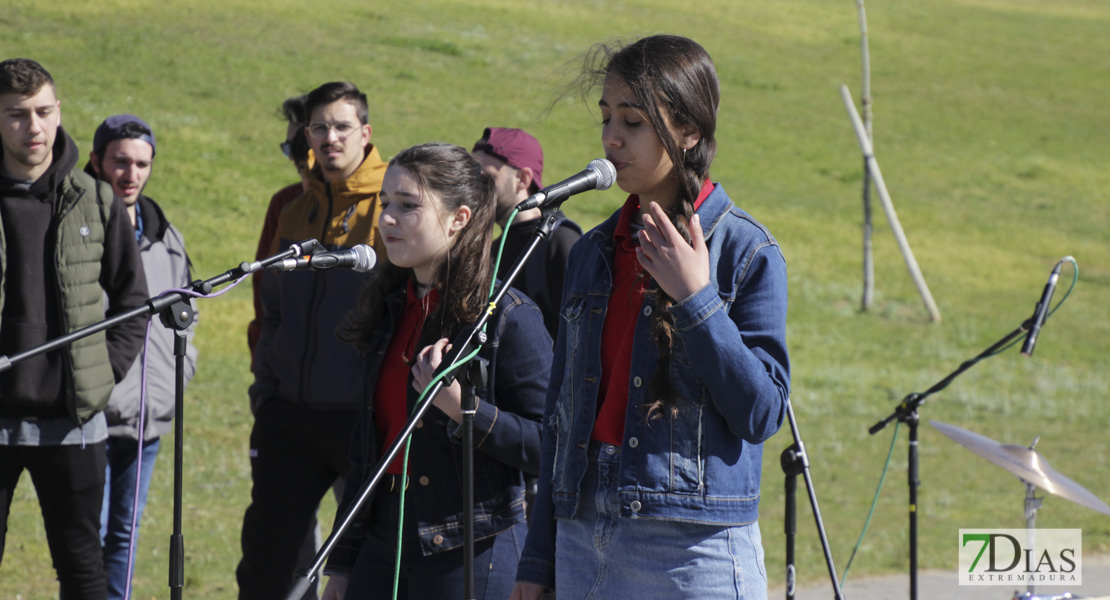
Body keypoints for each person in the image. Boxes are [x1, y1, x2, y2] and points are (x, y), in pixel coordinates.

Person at [512, 35, 790, 600]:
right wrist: (538, 558)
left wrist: (696, 299)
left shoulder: (745, 249)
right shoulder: (591, 252)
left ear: (689, 133)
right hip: (582, 535)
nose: (611, 137)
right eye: (607, 117)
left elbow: (761, 413)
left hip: (691, 549)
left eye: (633, 122)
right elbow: (560, 421)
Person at [319, 143, 551, 600]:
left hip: (470, 546)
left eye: (408, 206)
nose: (387, 218)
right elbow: (367, 452)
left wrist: (464, 410)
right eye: (385, 203)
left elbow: (550, 445)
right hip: (382, 535)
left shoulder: (507, 317)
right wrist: (343, 563)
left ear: (459, 218)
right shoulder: (387, 310)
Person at [0, 58, 148, 599]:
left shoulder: (96, 196)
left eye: (43, 112)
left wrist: (100, 374)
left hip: (72, 420)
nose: (33, 127)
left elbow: (133, 301)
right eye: (16, 115)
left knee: (83, 573)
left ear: (59, 111)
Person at [238, 81, 388, 599]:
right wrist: (267, 388)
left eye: (342, 126)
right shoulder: (294, 209)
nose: (330, 138)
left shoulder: (394, 202)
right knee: (267, 564)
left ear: (364, 133)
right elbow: (272, 309)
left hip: (362, 420)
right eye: (319, 127)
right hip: (289, 416)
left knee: (366, 566)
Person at [84, 114, 198, 600]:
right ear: (96, 162)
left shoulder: (165, 233)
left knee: (125, 536)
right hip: (90, 415)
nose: (131, 174)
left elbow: (187, 314)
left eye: (142, 164)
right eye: (120, 162)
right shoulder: (79, 230)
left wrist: (179, 373)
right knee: (87, 538)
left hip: (147, 420)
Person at [472, 127, 581, 339]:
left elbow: (577, 336)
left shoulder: (561, 242)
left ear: (523, 179)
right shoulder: (492, 249)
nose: (476, 189)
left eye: (487, 178)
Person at [247, 94, 311, 370]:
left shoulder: (377, 207)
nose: (295, 158)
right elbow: (264, 296)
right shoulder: (284, 204)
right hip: (283, 380)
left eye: (301, 147)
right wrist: (263, 369)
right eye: (289, 147)